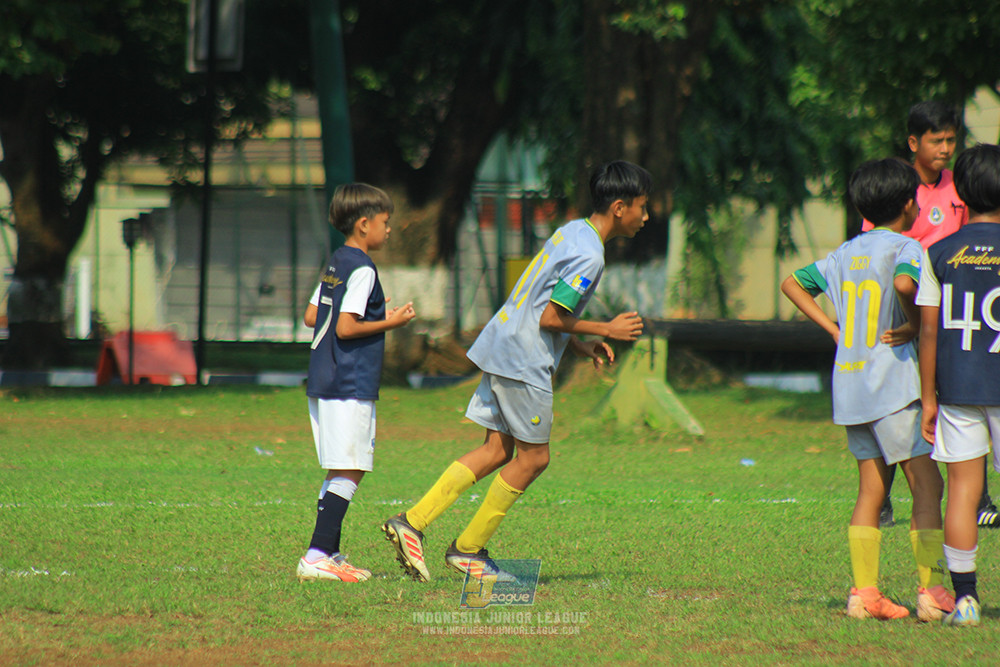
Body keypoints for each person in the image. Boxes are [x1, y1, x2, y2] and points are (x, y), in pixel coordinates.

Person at [381, 160, 649, 582]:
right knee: (535, 458)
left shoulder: (572, 231)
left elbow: (543, 303)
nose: (646, 216)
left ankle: (410, 522)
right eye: (642, 207)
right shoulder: (590, 255)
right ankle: (467, 550)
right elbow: (550, 317)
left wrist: (579, 345)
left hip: (504, 343)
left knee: (496, 451)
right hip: (524, 358)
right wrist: (607, 328)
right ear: (620, 207)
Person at [781, 158, 954, 621]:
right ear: (909, 204)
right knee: (927, 484)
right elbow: (904, 283)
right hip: (892, 385)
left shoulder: (844, 253)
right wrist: (913, 323)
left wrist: (833, 330)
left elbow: (792, 283)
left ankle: (864, 594)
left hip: (851, 385)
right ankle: (932, 591)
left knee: (870, 489)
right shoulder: (906, 247)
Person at [861, 101, 997, 528]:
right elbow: (879, 249)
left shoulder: (962, 186)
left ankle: (980, 498)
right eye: (936, 140)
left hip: (951, 307)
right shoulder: (894, 188)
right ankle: (881, 495)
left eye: (951, 140)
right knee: (895, 404)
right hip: (905, 309)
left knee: (965, 392)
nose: (945, 148)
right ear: (913, 142)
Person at [296, 183, 416, 583]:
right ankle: (316, 555)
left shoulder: (337, 261)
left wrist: (370, 316)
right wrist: (391, 322)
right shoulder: (363, 268)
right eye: (385, 222)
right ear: (364, 224)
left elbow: (311, 316)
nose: (389, 229)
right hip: (349, 380)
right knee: (352, 469)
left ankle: (327, 554)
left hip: (324, 377)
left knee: (340, 468)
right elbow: (346, 328)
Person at [916, 143, 1000, 626]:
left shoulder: (939, 252)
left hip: (959, 388)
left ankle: (966, 599)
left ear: (961, 195)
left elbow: (929, 331)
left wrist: (928, 396)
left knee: (964, 490)